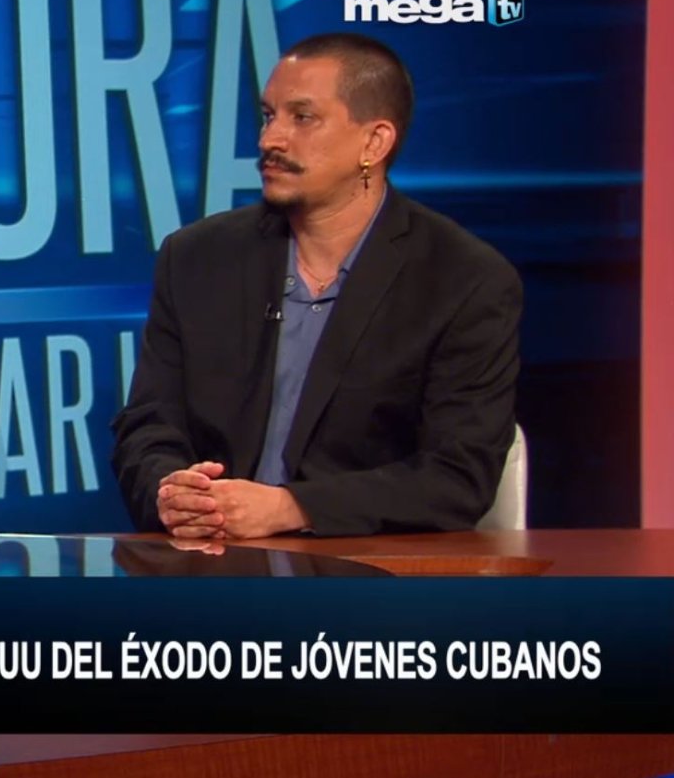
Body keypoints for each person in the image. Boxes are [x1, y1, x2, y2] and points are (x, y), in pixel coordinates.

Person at [111, 32, 521, 538]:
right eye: (269, 116)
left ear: (374, 142)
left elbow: (457, 476)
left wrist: (290, 508)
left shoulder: (464, 280)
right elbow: (149, 424)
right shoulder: (196, 259)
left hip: (365, 567)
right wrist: (172, 492)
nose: (270, 140)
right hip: (211, 560)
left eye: (302, 118)